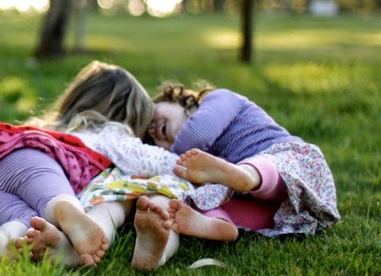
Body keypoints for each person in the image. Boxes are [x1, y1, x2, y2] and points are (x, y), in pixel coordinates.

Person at [0, 61, 189, 271]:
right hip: (33, 159)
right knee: (54, 201)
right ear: (131, 117)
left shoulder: (53, 126)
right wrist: (191, 165)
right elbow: (153, 160)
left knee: (27, 220)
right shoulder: (113, 132)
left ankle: (3, 240)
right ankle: (67, 211)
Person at [146, 81, 340, 240]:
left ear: (179, 99)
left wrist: (171, 160)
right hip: (289, 210)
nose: (152, 131)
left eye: (152, 117)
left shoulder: (220, 98)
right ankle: (218, 223)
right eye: (151, 140)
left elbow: (198, 133)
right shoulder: (203, 165)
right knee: (202, 198)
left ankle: (247, 176)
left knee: (259, 168)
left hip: (290, 162)